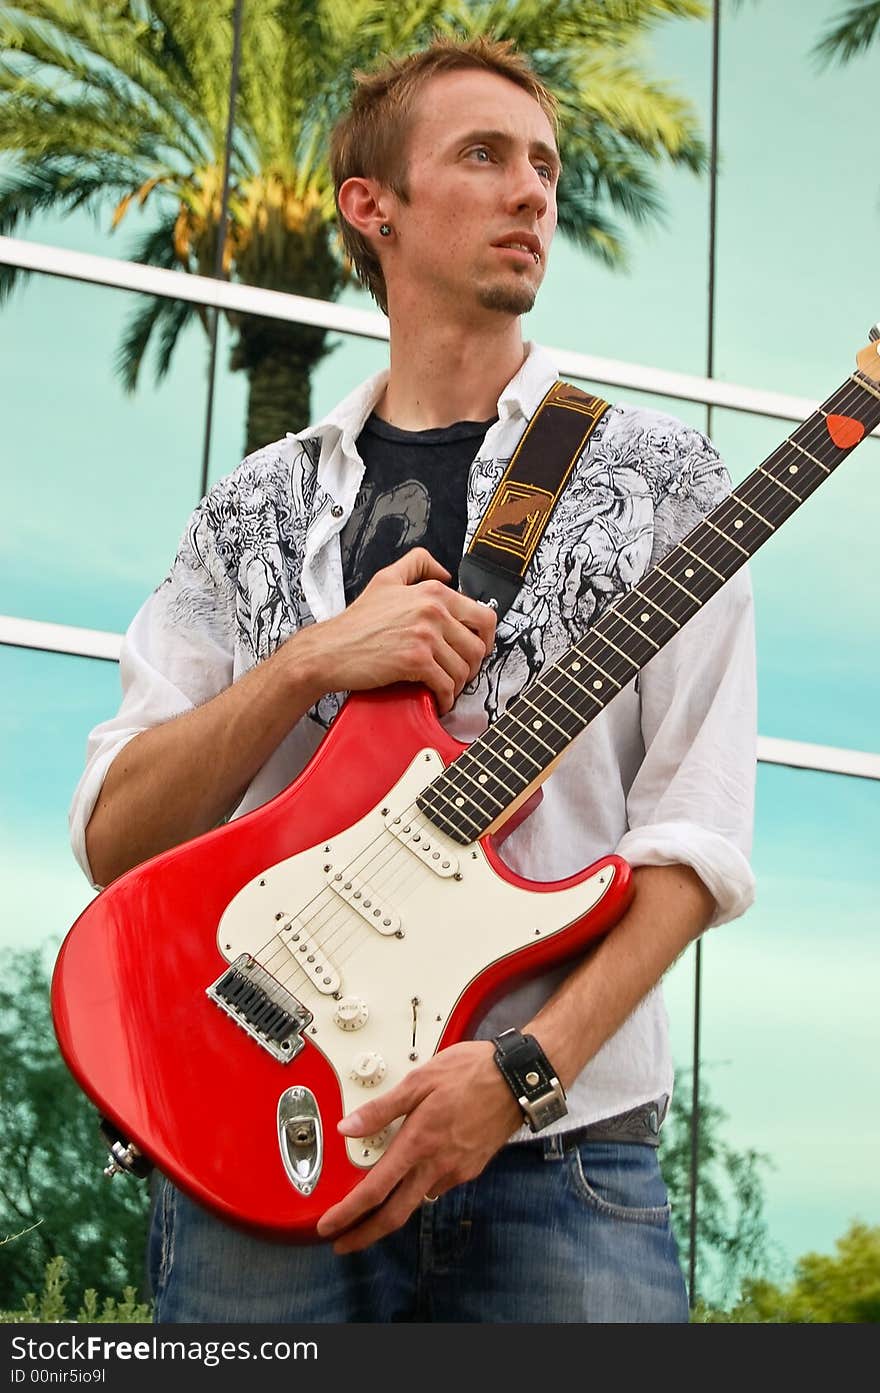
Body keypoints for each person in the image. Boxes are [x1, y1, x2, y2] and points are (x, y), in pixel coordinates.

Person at [68, 35, 756, 1324]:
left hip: (566, 1160)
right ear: (371, 206)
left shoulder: (668, 487)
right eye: (485, 157)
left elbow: (693, 843)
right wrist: (309, 664)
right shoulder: (253, 508)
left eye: (545, 165)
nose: (531, 192)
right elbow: (118, 836)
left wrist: (522, 1075)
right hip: (258, 1145)